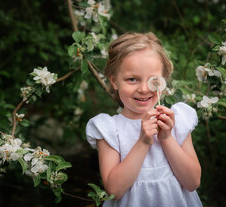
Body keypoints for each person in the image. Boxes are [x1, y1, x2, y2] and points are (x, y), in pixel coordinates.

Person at [86, 32, 203, 207]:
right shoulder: (109, 129)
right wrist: (143, 142)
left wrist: (167, 138)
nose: (143, 89)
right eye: (132, 79)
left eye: (153, 81)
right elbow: (114, 191)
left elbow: (193, 182)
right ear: (114, 81)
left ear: (163, 80)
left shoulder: (176, 121)